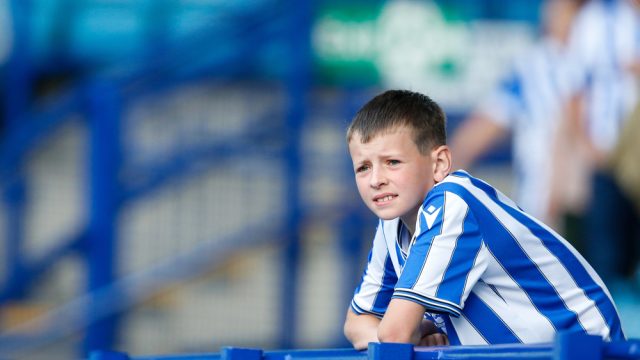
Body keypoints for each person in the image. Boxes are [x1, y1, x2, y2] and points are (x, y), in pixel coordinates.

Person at [343, 89, 625, 349]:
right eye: (363, 167)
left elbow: (394, 335)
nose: (377, 180)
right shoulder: (393, 220)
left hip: (585, 350)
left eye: (392, 162)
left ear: (439, 164)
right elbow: (356, 325)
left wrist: (413, 331)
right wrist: (410, 334)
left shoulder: (453, 202)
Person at [450, 0, 586, 229]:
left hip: (589, 204)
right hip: (540, 211)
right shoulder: (536, 65)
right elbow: (479, 131)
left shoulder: (608, 59)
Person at [564, 0, 640, 288]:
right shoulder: (595, 19)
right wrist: (586, 147)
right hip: (608, 154)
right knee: (607, 261)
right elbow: (574, 88)